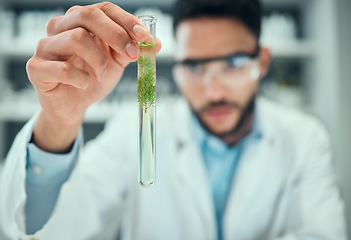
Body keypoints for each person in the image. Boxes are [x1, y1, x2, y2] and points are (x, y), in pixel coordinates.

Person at [0, 0, 347, 239]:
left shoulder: (304, 138)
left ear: (263, 61)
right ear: (175, 65)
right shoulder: (129, 133)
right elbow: (41, 229)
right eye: (194, 66)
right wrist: (60, 120)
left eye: (234, 63)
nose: (213, 91)